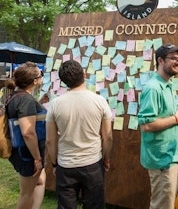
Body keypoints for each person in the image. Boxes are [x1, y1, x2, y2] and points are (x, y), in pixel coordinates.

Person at [46, 60, 113, 209]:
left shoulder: (55, 104)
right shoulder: (100, 101)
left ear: (63, 82)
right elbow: (108, 136)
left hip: (66, 165)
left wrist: (55, 163)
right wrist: (106, 158)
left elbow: (50, 140)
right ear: (84, 74)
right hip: (93, 164)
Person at [137, 43, 178, 209]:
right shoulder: (153, 88)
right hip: (161, 159)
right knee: (163, 205)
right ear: (160, 60)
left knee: (174, 202)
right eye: (173, 58)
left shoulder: (168, 85)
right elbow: (146, 125)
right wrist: (176, 118)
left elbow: (172, 119)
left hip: (174, 154)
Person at [6, 62, 46, 209]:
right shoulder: (25, 100)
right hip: (27, 153)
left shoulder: (17, 96)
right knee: (26, 193)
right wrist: (37, 158)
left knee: (40, 180)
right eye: (40, 75)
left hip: (23, 150)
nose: (42, 77)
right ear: (35, 81)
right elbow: (28, 132)